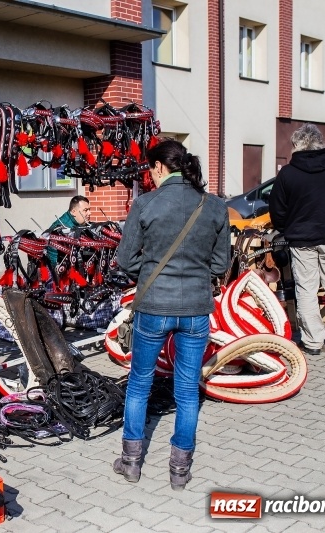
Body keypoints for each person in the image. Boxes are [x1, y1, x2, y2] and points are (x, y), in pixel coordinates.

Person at [113, 139, 230, 490]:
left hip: (154, 307)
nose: (150, 175)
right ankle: (180, 471)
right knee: (187, 391)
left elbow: (125, 259)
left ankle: (131, 463)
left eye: (151, 169)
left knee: (139, 385)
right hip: (196, 309)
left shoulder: (145, 203)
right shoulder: (215, 206)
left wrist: (149, 270)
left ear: (160, 168)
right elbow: (221, 263)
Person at [269, 124, 325, 355]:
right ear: (321, 141)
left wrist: (286, 228)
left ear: (297, 144)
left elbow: (277, 210)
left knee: (306, 289)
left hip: (300, 239)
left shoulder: (288, 173)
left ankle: (313, 341)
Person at [46, 195, 91, 266]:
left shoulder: (81, 223)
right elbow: (54, 258)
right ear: (73, 212)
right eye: (85, 210)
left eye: (89, 210)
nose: (89, 213)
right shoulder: (62, 228)